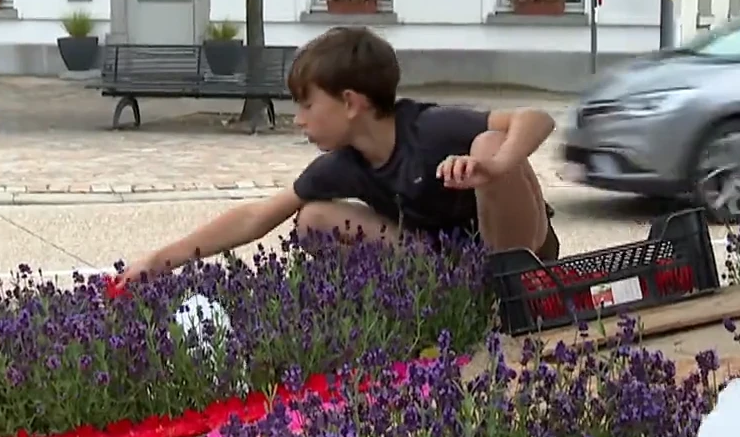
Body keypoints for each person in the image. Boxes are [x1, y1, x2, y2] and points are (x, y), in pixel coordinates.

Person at [119, 26, 559, 280]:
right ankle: (436, 291)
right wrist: (159, 261)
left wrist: (492, 165)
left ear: (350, 103)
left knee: (490, 139)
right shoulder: (345, 163)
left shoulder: (430, 127)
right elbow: (256, 217)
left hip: (524, 246)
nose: (299, 119)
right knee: (313, 218)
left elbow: (537, 118)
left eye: (308, 104)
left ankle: (513, 285)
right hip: (447, 260)